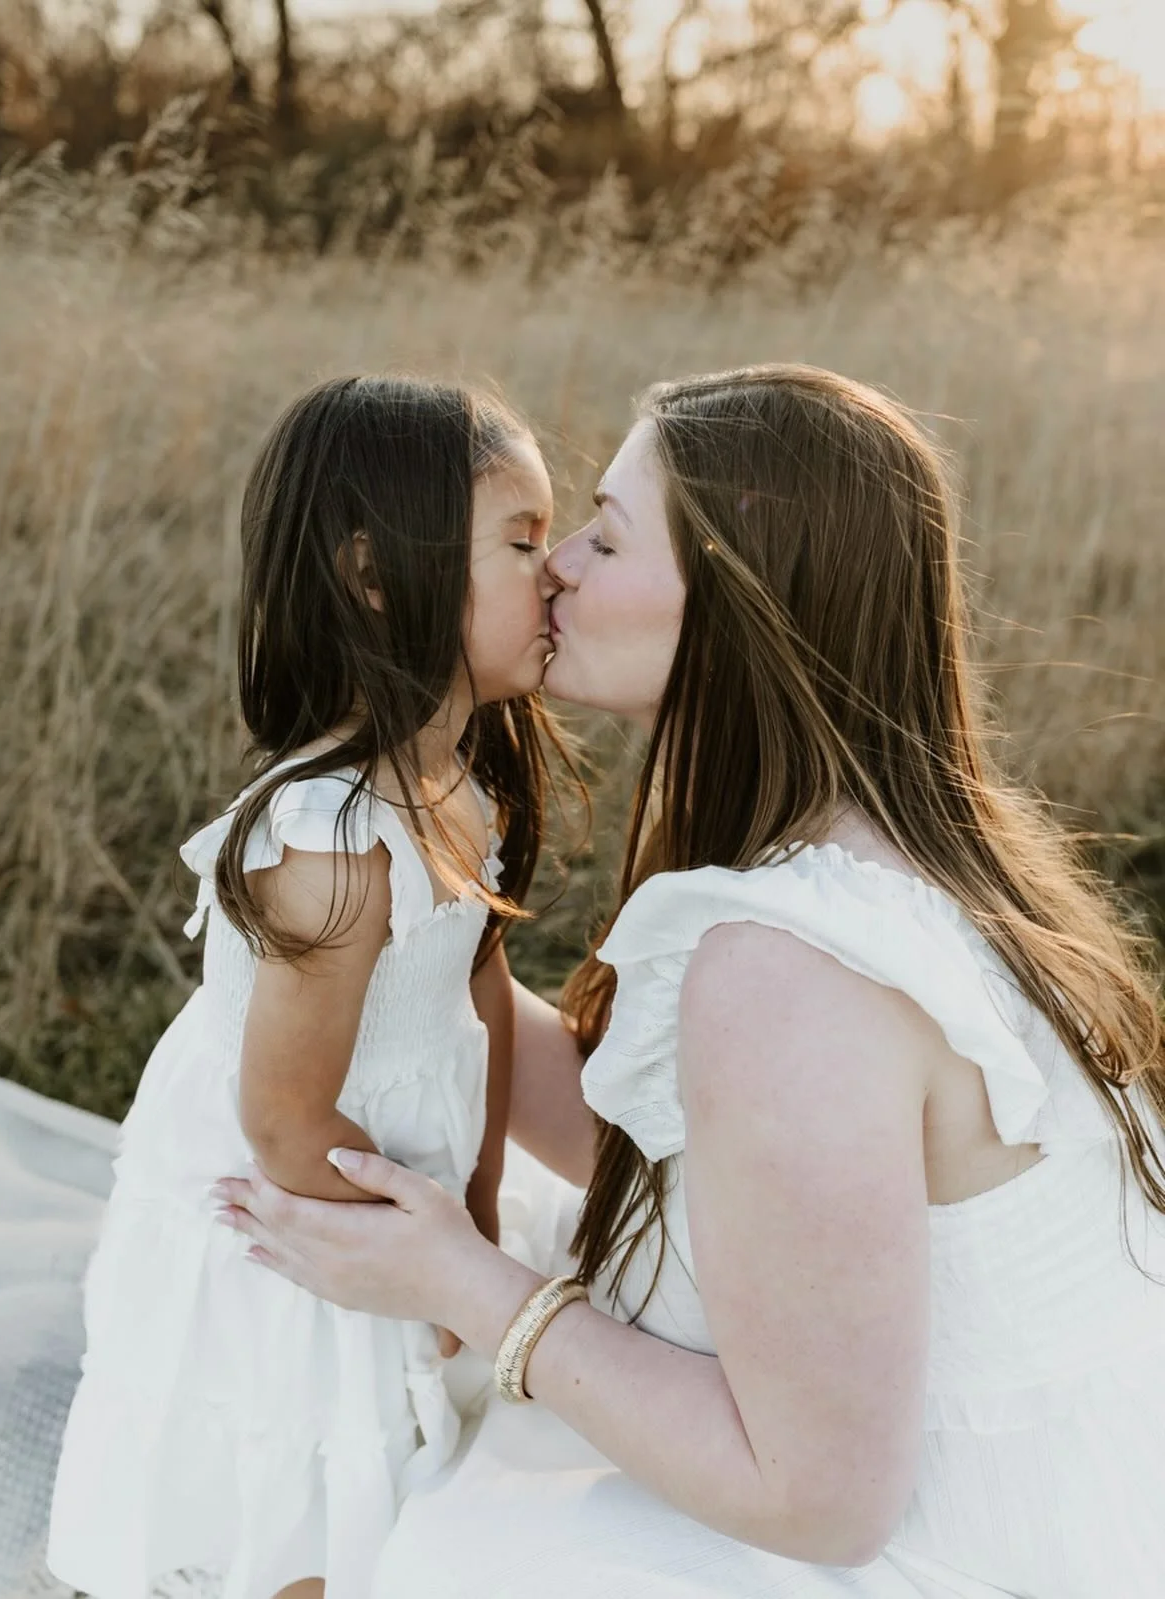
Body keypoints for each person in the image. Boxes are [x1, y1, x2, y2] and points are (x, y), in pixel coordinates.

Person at [214, 365, 1165, 1598]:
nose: (553, 568)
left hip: (920, 1538)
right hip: (1014, 1461)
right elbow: (692, 1153)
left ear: (736, 598)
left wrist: (462, 1282)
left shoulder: (790, 974)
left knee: (435, 1538)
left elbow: (820, 1503)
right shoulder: (893, 847)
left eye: (604, 537)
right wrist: (448, 944)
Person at [46, 375, 568, 1599]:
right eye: (522, 542)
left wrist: (483, 1208)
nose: (555, 575)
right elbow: (284, 1121)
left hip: (399, 1186)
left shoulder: (465, 789)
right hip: (296, 1228)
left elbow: (484, 1008)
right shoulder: (331, 836)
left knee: (391, 1478)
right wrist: (430, 1278)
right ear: (378, 574)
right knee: (292, 1485)